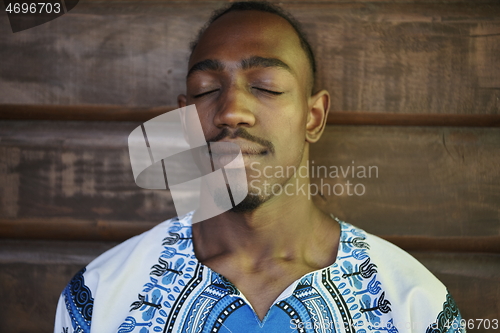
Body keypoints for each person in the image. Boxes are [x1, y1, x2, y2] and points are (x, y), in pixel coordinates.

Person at [54, 2, 464, 333]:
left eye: (266, 86)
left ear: (314, 117)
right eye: (207, 90)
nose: (231, 111)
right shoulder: (101, 299)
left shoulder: (415, 306)